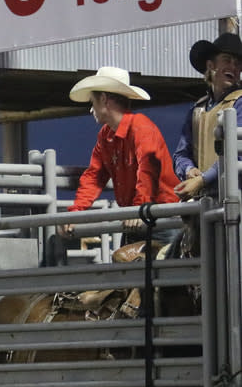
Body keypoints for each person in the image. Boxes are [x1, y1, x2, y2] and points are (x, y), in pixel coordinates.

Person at [59, 66, 180, 238]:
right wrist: (76, 211)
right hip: (138, 216)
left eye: (93, 102)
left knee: (149, 262)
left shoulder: (140, 127)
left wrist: (139, 207)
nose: (91, 109)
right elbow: (94, 176)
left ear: (103, 99)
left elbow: (148, 170)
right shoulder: (107, 135)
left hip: (161, 217)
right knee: (132, 262)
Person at [173, 32, 242, 201]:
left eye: (238, 63)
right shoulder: (197, 109)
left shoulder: (240, 102)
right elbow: (181, 154)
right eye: (227, 59)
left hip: (235, 202)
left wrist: (202, 180)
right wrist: (189, 170)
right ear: (211, 65)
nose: (233, 67)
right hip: (207, 203)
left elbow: (238, 154)